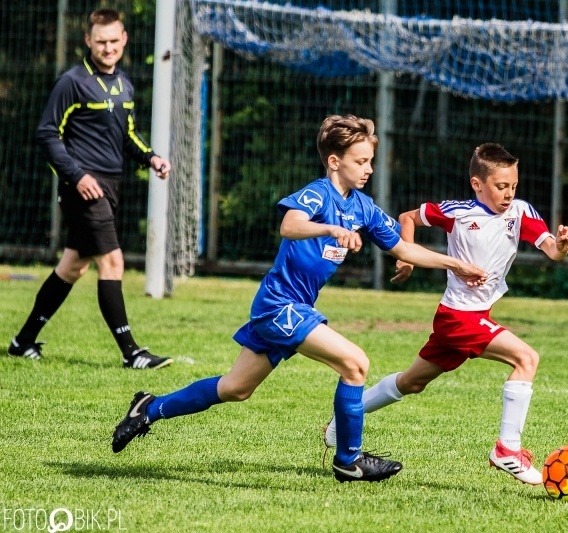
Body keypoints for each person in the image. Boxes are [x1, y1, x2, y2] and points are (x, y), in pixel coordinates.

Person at [111, 115, 488, 483]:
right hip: (279, 305)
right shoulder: (318, 193)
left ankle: (149, 408)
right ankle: (348, 460)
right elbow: (289, 225)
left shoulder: (362, 206)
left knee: (235, 388)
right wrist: (331, 229)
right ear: (334, 161)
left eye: (370, 161)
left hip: (294, 308)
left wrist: (455, 264)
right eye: (361, 161)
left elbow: (403, 248)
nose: (369, 169)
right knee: (355, 363)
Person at [323, 142, 568, 485]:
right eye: (501, 186)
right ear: (477, 184)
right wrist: (407, 258)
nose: (509, 194)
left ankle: (342, 420)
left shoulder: (520, 212)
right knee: (526, 358)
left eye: (514, 186)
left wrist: (561, 248)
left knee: (411, 383)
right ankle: (507, 450)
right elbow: (408, 218)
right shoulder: (458, 213)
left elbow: (551, 250)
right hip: (459, 317)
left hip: (466, 317)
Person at [7, 9, 173, 369]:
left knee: (73, 266)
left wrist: (151, 158)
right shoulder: (72, 82)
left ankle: (23, 341)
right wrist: (77, 175)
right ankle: (132, 353)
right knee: (112, 261)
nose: (108, 48)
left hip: (111, 184)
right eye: (101, 42)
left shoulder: (124, 84)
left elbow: (127, 134)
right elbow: (47, 134)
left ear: (124, 39)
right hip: (83, 188)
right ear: (88, 41)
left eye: (114, 41)